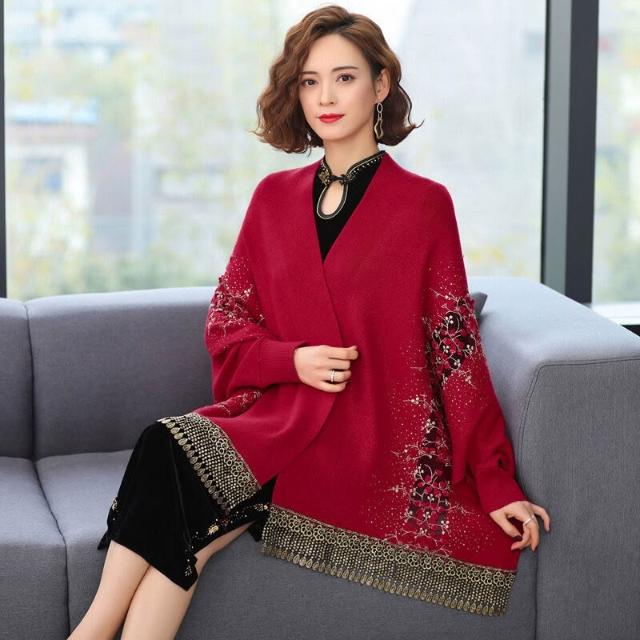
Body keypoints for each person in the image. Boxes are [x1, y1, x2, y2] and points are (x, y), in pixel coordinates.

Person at [69, 5, 551, 639]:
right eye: (309, 81)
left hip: (362, 439)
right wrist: (290, 360)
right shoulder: (273, 199)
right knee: (173, 482)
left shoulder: (424, 207)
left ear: (380, 85)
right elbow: (227, 321)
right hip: (280, 418)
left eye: (344, 78)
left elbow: (454, 349)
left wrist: (494, 480)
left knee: (176, 495)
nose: (325, 97)